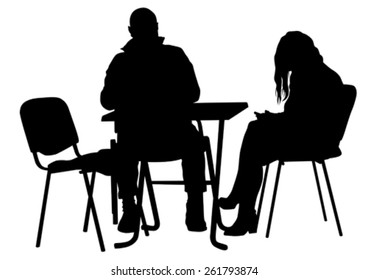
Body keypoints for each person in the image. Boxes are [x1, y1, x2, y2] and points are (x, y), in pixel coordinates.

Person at [219, 31, 344, 236]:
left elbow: (302, 121)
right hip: (311, 137)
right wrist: (274, 119)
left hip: (310, 140)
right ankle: (243, 210)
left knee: (254, 135)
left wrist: (272, 120)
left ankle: (242, 207)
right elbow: (300, 117)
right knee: (255, 142)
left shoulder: (309, 75)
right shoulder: (317, 71)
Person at [100, 8, 207, 233]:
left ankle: (129, 206)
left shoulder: (121, 62)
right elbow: (194, 94)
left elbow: (106, 101)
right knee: (196, 142)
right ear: (156, 27)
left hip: (137, 142)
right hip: (176, 137)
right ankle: (195, 205)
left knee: (124, 146)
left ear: (130, 31)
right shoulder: (175, 55)